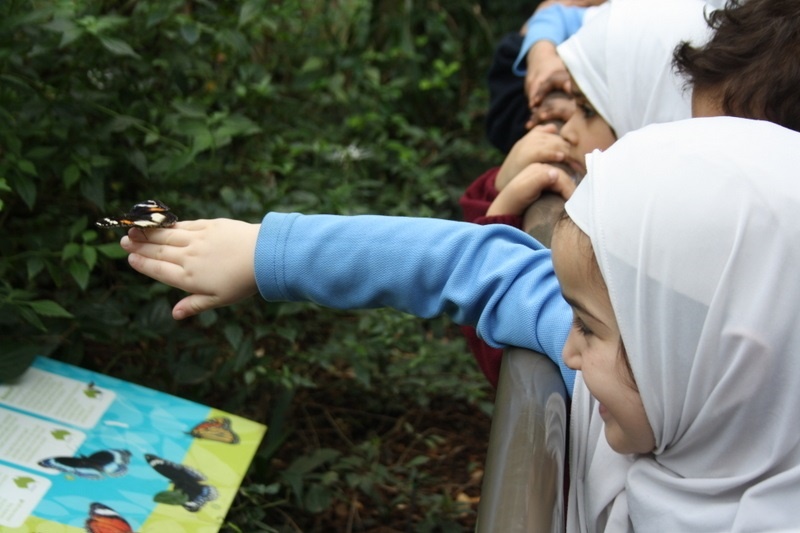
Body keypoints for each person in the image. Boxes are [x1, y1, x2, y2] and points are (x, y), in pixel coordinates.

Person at [120, 117, 800, 530]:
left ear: (719, 358)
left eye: (588, 329)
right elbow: (484, 268)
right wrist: (268, 253)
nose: (565, 343)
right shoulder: (658, 381)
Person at [461, 0, 713, 386]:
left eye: (587, 110)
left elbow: (525, 361)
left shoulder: (638, 264)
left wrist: (500, 212)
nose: (568, 130)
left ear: (647, 115)